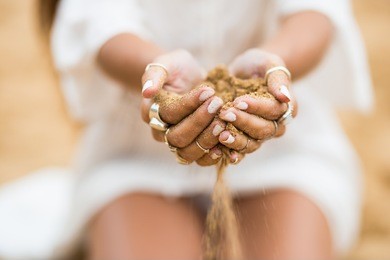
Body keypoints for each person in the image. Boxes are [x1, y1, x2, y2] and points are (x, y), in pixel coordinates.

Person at [0, 0, 372, 259]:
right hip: (137, 156)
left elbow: (316, 12)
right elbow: (101, 21)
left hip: (282, 155)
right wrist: (153, 72)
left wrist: (278, 67)